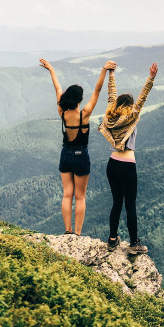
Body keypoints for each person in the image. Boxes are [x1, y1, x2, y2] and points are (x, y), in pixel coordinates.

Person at [40, 58, 116, 236]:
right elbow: (97, 91)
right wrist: (104, 70)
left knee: (67, 194)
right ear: (80, 100)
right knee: (80, 197)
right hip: (81, 156)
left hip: (65, 154)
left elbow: (57, 88)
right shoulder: (85, 114)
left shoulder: (62, 112)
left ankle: (67, 231)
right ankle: (78, 234)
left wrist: (51, 69)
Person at [98, 62, 158, 254]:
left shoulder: (110, 116)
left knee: (116, 203)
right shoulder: (132, 115)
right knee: (130, 205)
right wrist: (151, 77)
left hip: (112, 163)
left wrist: (111, 73)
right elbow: (143, 96)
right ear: (130, 107)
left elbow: (111, 94)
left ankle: (112, 240)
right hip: (127, 165)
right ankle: (134, 244)